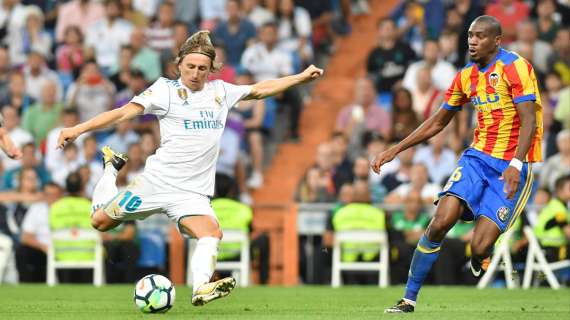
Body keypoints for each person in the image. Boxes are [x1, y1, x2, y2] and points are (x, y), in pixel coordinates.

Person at [57, 30, 323, 305]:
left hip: (192, 193)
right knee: (99, 222)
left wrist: (301, 77)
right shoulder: (164, 90)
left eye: (202, 69)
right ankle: (112, 168)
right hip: (155, 183)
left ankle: (200, 288)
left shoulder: (220, 92)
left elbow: (259, 89)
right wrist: (79, 128)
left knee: (211, 233)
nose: (196, 74)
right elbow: (124, 112)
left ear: (211, 70)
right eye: (191, 67)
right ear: (179, 65)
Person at [373, 16, 542, 313]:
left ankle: (479, 257)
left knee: (478, 246)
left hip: (512, 165)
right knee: (440, 220)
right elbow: (439, 121)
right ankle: (408, 299)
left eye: (479, 36)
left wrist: (516, 163)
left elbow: (528, 119)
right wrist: (396, 149)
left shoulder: (515, 67)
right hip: (477, 157)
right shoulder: (465, 76)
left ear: (497, 40)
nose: (472, 41)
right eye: (470, 36)